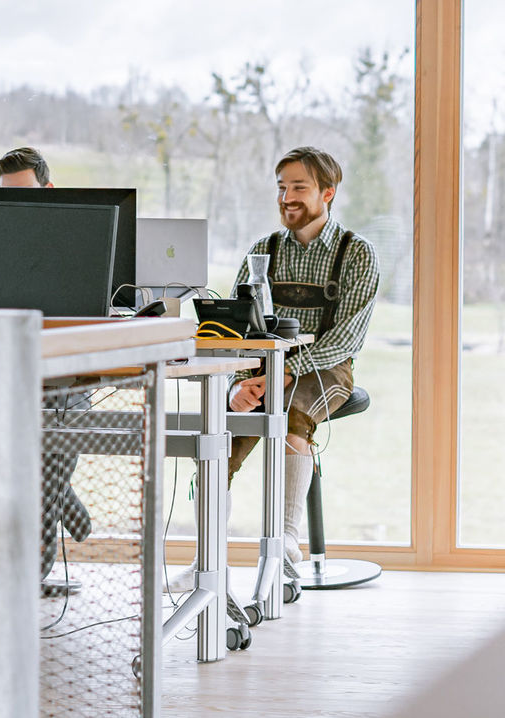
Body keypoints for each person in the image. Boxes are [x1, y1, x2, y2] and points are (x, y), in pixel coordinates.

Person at [226, 146, 380, 577]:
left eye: (299, 187)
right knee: (217, 431)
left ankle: (286, 543)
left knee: (291, 413)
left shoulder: (357, 253)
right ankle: (208, 557)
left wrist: (287, 371)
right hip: (261, 366)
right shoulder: (263, 250)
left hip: (326, 368)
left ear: (328, 193)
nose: (286, 197)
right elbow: (234, 325)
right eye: (281, 187)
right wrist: (240, 381)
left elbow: (347, 337)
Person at [0, 147, 94, 595]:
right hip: (4, 371)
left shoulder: (76, 240)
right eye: (6, 195)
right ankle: (67, 507)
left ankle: (31, 578)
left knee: (43, 468)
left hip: (62, 373)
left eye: (26, 192)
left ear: (48, 190)